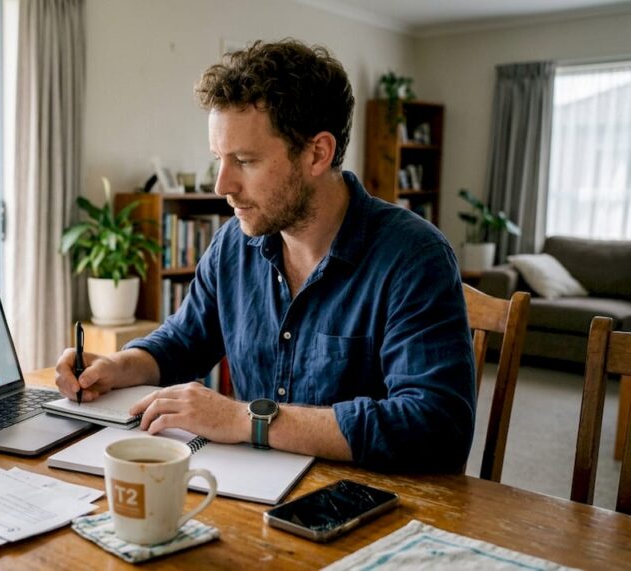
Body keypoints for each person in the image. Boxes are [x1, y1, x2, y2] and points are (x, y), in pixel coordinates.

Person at [55, 39, 475, 472]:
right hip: (252, 488)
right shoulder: (233, 244)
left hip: (366, 501)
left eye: (244, 160)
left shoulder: (414, 256)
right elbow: (183, 343)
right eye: (218, 159)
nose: (222, 185)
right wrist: (114, 367)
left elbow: (437, 428)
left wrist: (246, 420)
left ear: (317, 153)